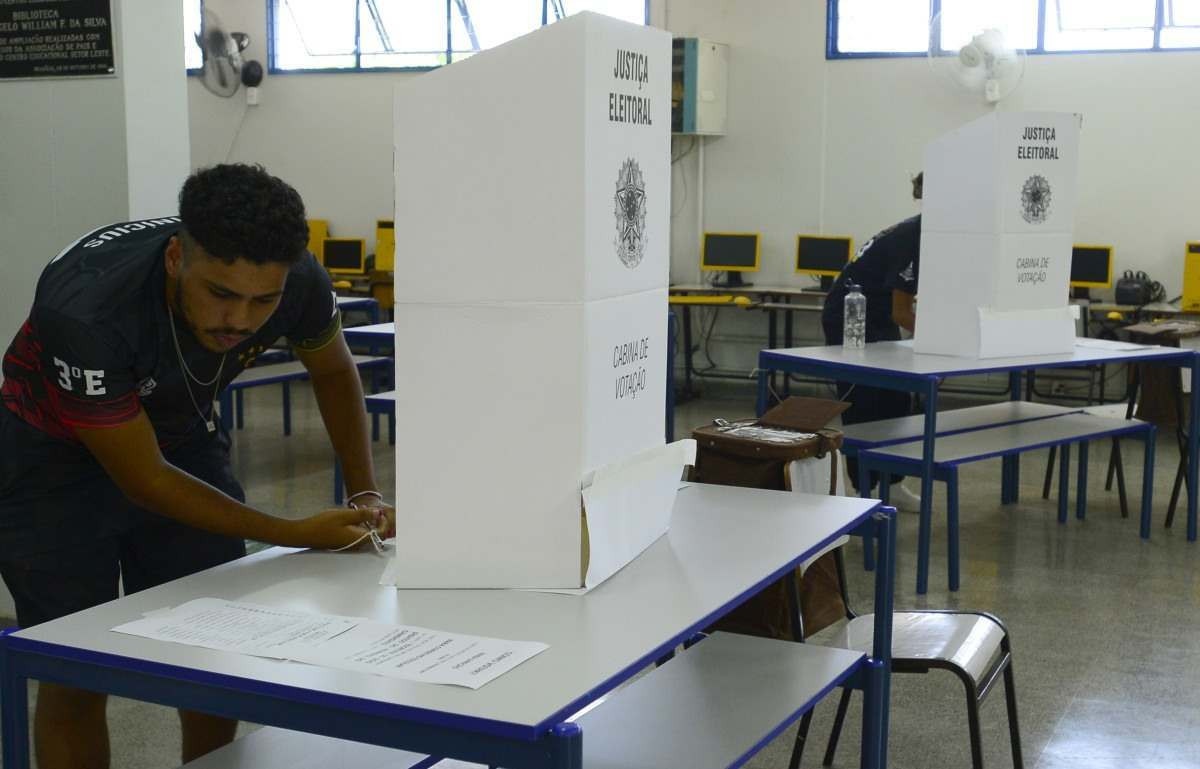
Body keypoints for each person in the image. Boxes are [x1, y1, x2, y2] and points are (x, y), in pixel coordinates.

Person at [0, 163, 396, 769]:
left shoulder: (299, 279)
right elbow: (145, 479)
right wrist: (293, 533)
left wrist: (365, 492)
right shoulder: (86, 307)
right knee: (75, 668)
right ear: (176, 259)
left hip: (179, 432)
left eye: (262, 300)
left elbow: (334, 369)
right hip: (51, 460)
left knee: (212, 647)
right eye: (220, 294)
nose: (239, 319)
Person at [821, 173, 923, 509]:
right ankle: (861, 490)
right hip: (850, 314)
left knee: (896, 399)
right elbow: (902, 312)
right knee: (863, 405)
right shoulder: (914, 235)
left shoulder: (933, 233)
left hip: (877, 316)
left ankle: (890, 483)